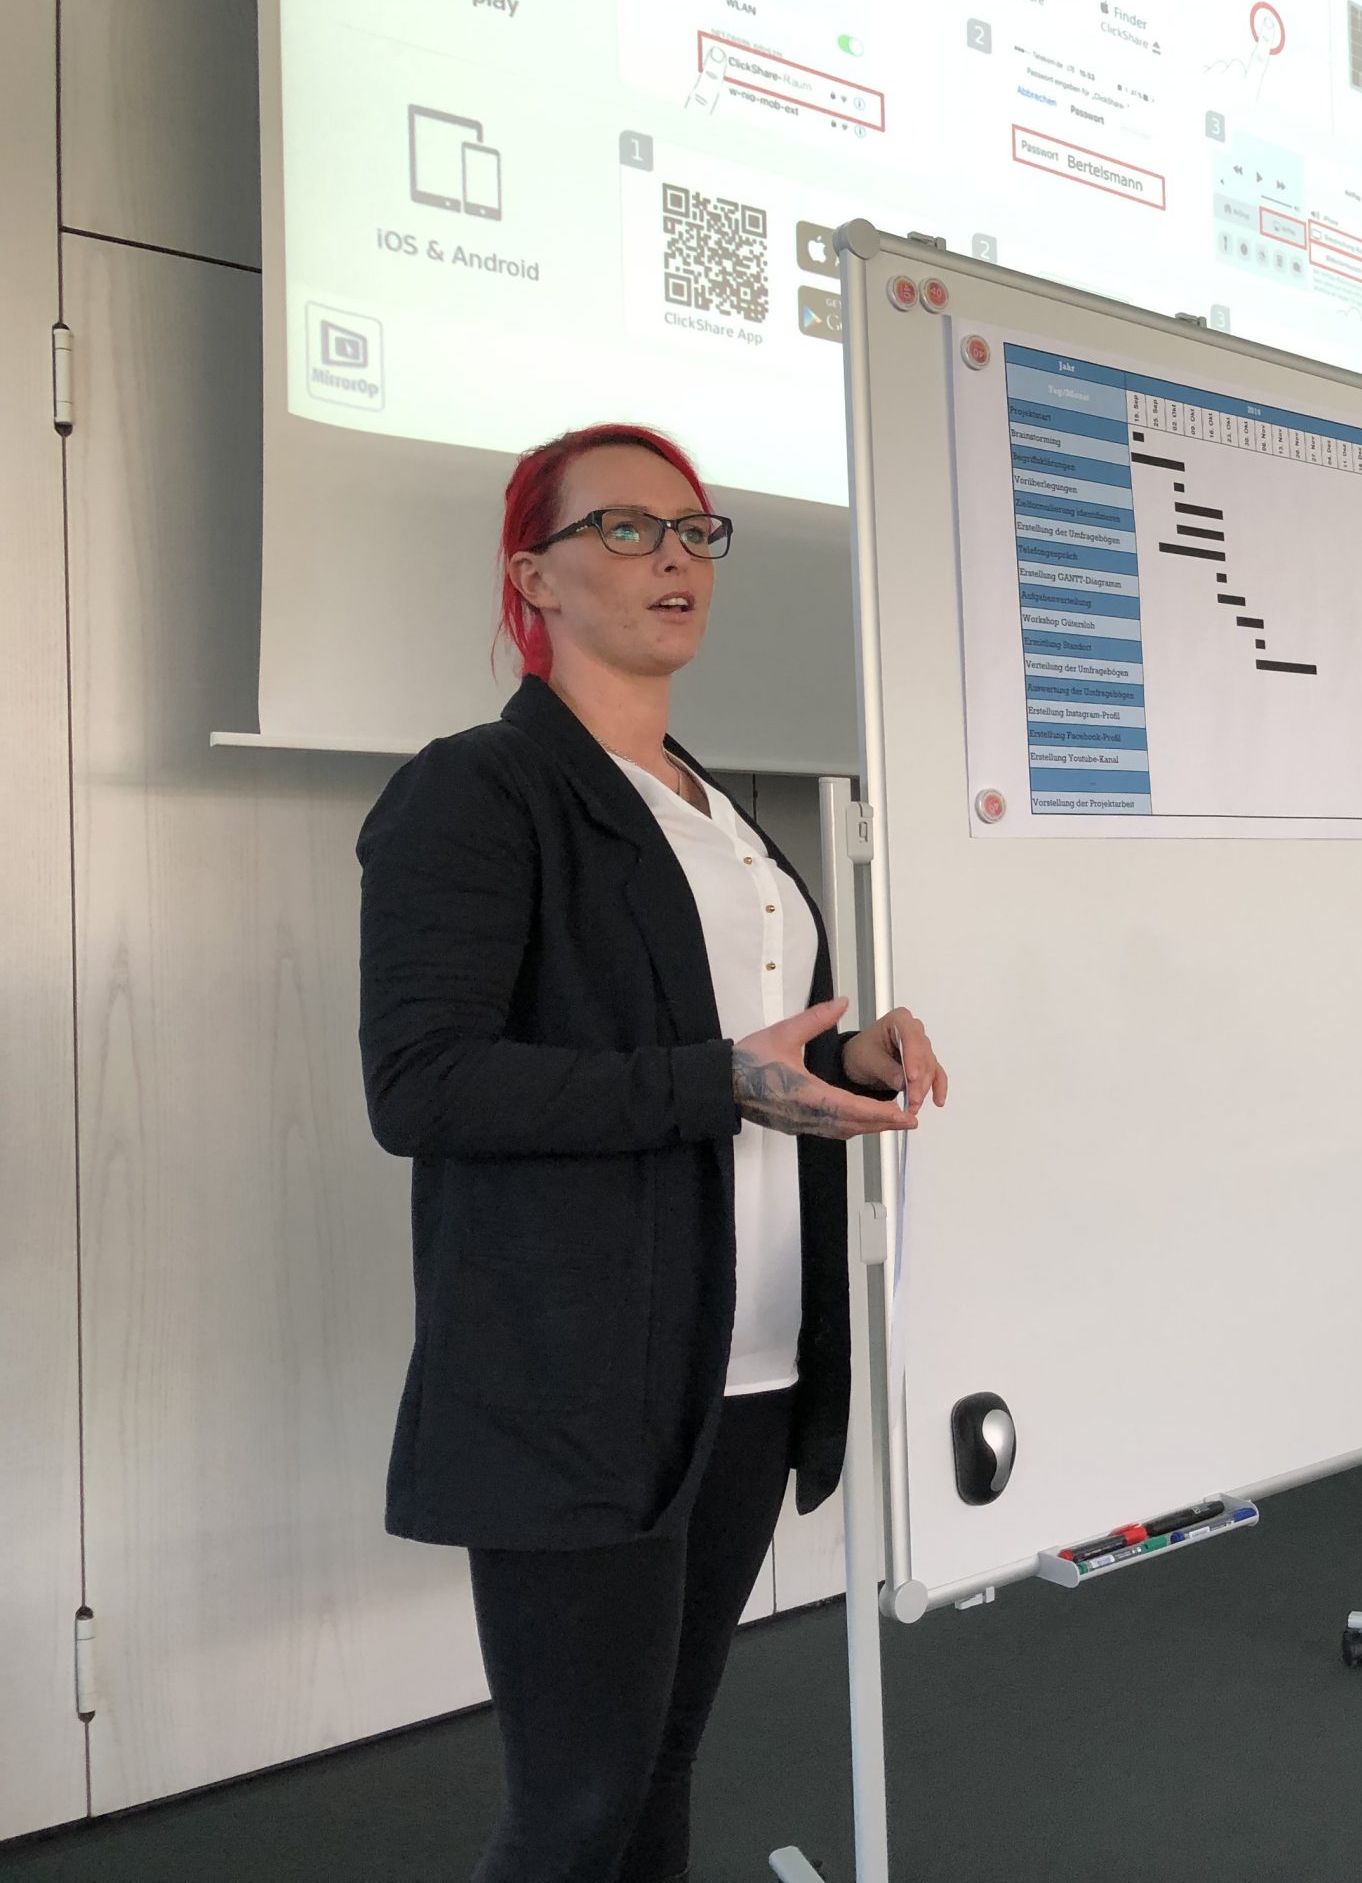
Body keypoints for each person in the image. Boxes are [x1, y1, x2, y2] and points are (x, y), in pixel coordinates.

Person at [356, 422, 951, 1882]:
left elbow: (729, 1049)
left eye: (693, 531)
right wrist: (724, 1083)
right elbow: (424, 1087)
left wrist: (844, 1058)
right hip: (581, 1376)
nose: (673, 556)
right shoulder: (479, 789)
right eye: (624, 528)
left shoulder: (712, 808)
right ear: (533, 577)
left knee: (658, 1768)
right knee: (574, 1805)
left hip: (746, 1364)